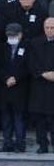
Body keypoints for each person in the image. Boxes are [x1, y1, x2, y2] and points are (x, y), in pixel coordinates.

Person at [0, 23, 29, 153]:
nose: (11, 37)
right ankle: (7, 143)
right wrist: (6, 78)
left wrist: (16, 77)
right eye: (9, 34)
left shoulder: (27, 47)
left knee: (19, 118)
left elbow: (28, 66)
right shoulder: (2, 47)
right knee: (6, 118)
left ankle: (20, 144)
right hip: (5, 88)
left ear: (20, 35)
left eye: (14, 35)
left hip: (20, 88)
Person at [28, 17, 54, 154]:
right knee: (40, 120)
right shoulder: (35, 43)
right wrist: (43, 74)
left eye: (53, 28)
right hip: (39, 86)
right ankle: (42, 145)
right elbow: (31, 63)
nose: (50, 31)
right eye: (47, 28)